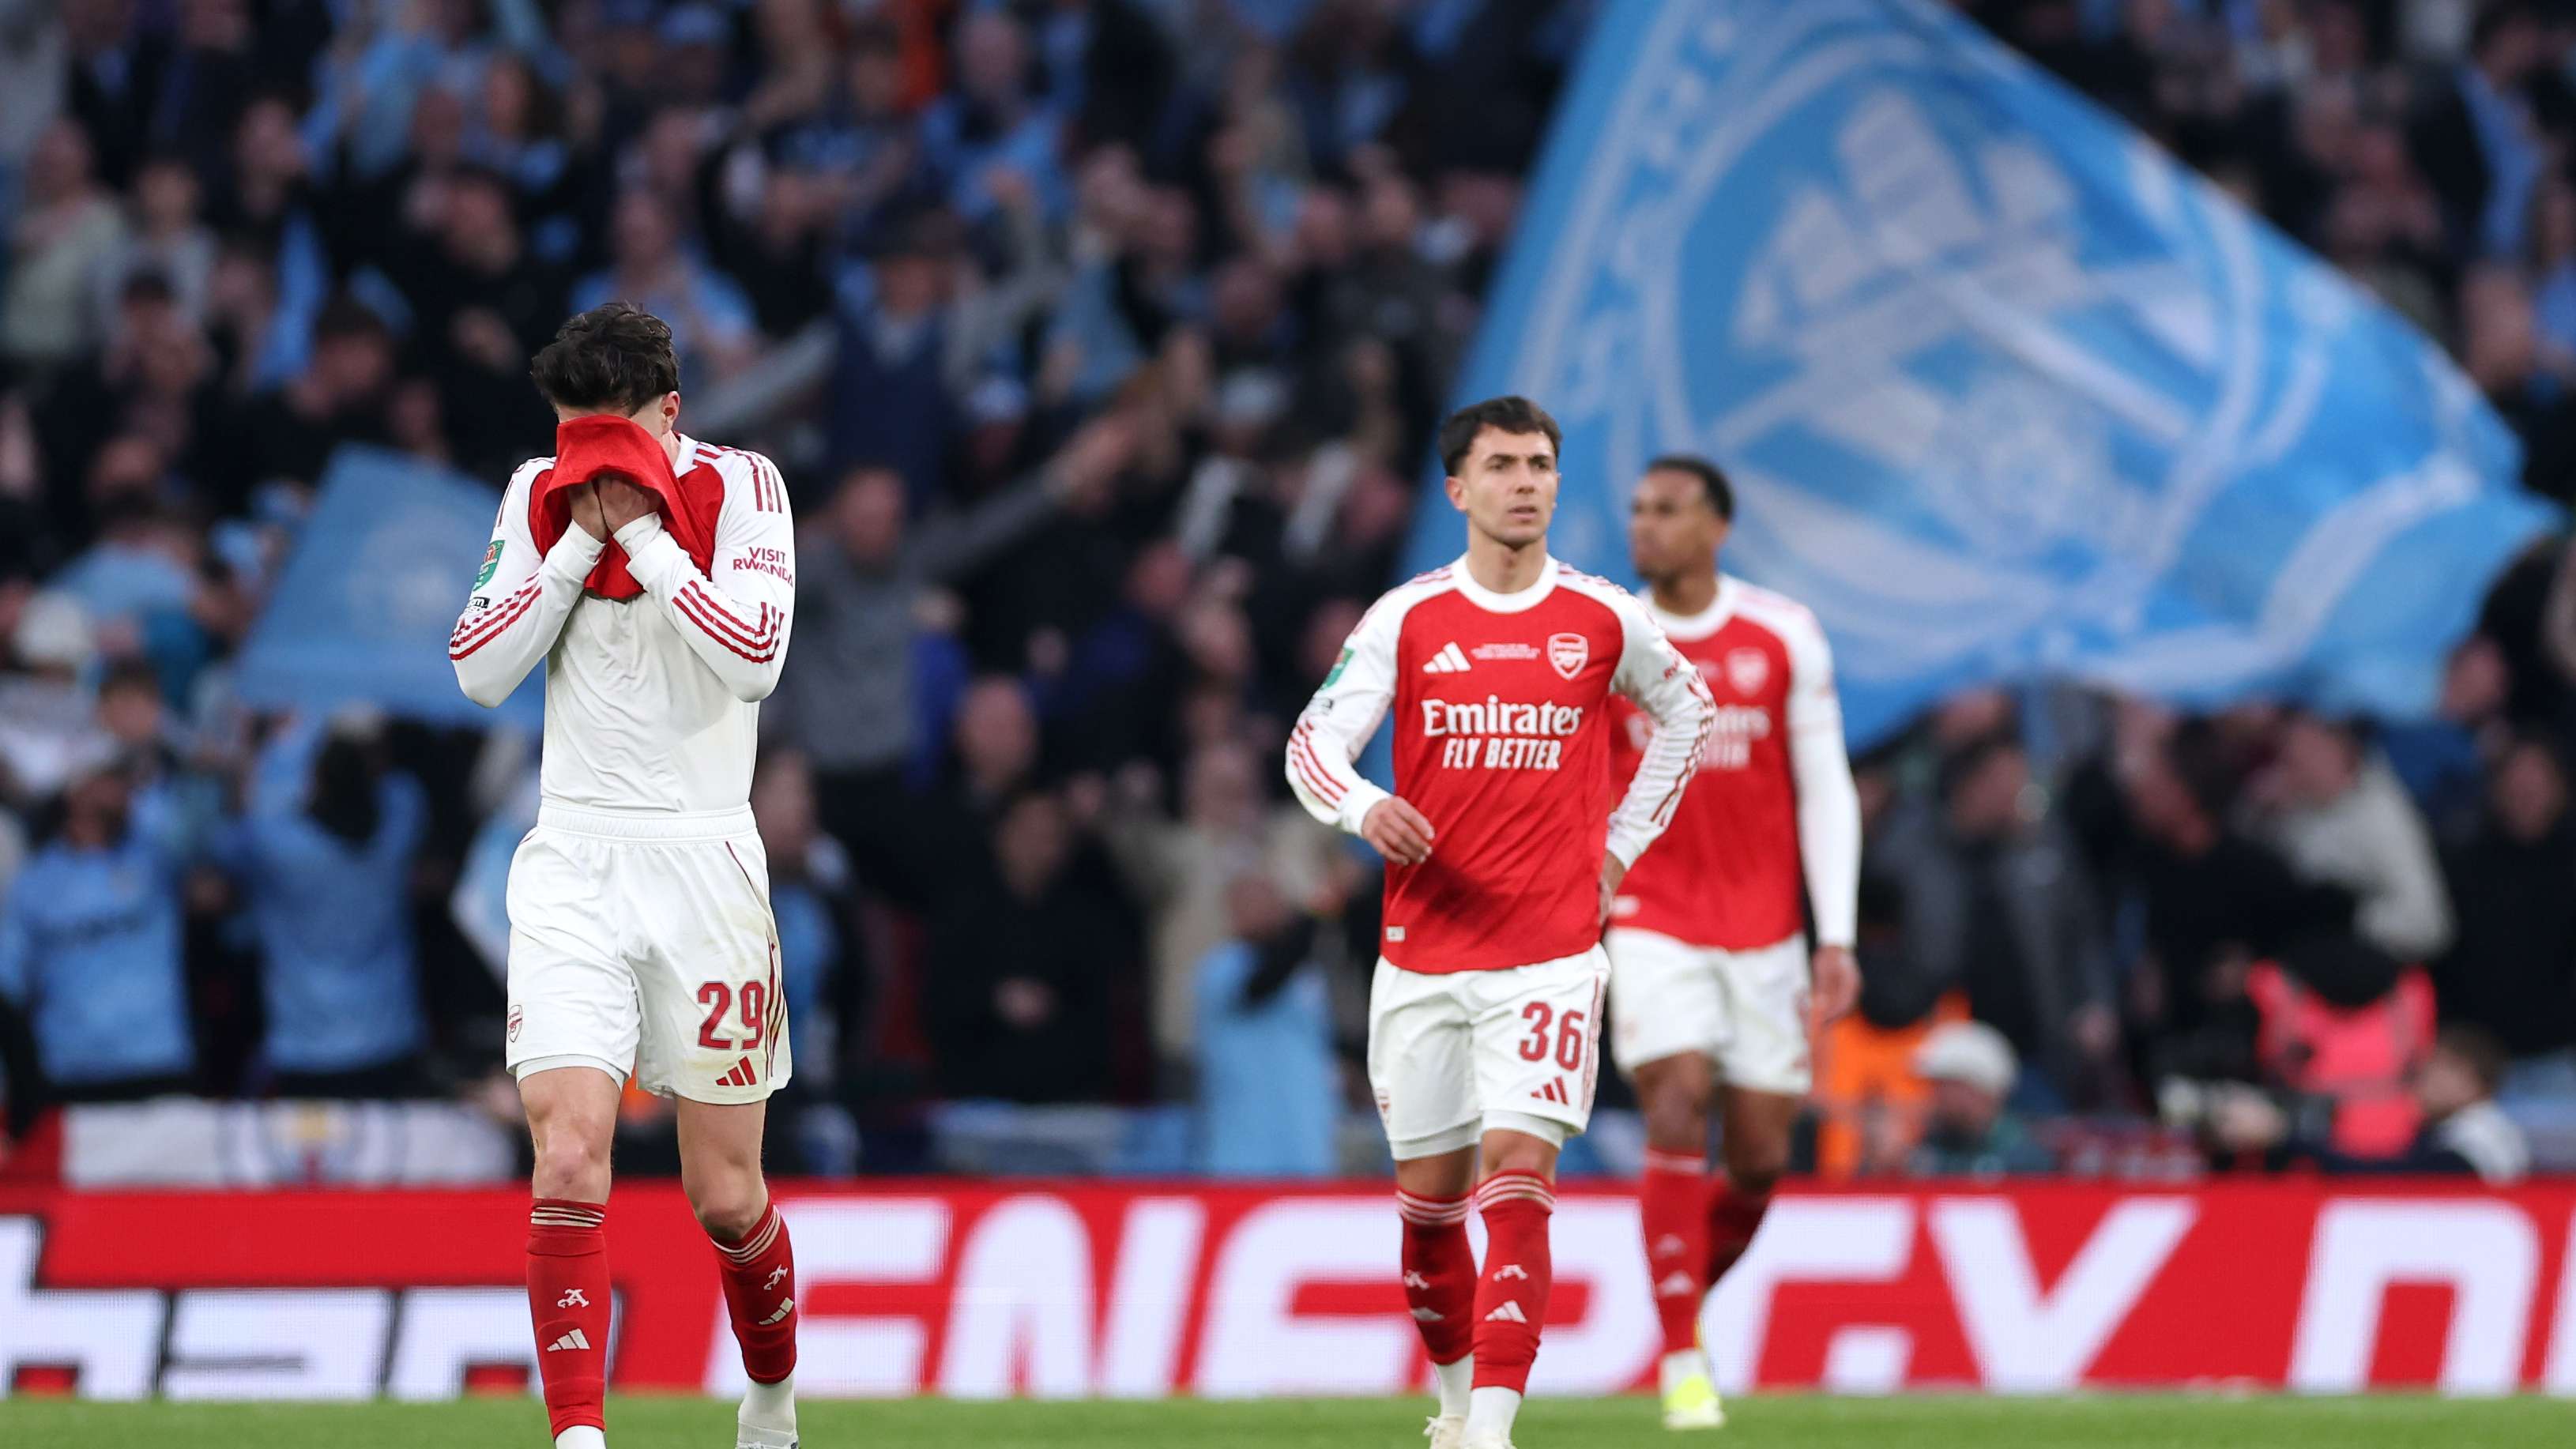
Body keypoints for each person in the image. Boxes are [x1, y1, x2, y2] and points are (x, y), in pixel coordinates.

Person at [1285, 395, 1713, 1449]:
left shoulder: (1604, 616)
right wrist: (1363, 806)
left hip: (1550, 954)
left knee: (1518, 1181)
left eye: (1541, 465)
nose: (1526, 482)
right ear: (1459, 489)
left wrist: (1616, 848)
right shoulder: (1409, 618)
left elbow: (1689, 712)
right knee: (1430, 1219)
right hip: (1422, 955)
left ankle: (1492, 1432)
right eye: (1504, 465)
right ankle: (1455, 1407)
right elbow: (1309, 745)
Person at [447, 303, 801, 1449]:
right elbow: (477, 671)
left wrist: (646, 539)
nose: (589, 463)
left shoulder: (746, 488)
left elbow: (755, 657)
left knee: (728, 1195)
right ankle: (580, 1439)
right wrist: (566, 550)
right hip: (575, 858)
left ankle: (771, 1398)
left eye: (615, 436)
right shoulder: (530, 493)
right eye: (573, 438)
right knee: (564, 1149)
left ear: (670, 412)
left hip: (705, 857)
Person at [1604, 455, 1862, 1431]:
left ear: (1716, 527)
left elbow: (1823, 785)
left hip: (1764, 931)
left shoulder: (1781, 634)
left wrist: (1832, 932)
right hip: (1652, 914)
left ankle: (1680, 1302)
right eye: (1636, 510)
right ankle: (1681, 1360)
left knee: (1757, 1155)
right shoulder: (1612, 639)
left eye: (1666, 511)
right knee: (1673, 1095)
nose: (1645, 527)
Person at [1904, 1020, 2057, 1177]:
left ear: (1975, 1088)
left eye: (1944, 1086)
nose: (1935, 1096)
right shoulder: (1931, 1147)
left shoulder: (2023, 1157)